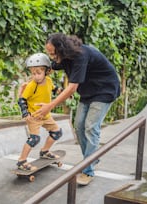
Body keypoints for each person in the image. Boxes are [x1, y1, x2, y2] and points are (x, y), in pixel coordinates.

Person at [31, 33, 120, 185]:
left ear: (62, 49)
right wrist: (33, 79)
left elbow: (72, 88)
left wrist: (50, 106)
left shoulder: (81, 55)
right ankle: (92, 158)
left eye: (52, 53)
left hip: (105, 90)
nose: (51, 56)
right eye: (49, 53)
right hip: (88, 92)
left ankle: (88, 170)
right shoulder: (63, 58)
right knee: (79, 126)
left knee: (91, 127)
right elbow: (48, 68)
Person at [17, 53, 63, 171]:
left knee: (57, 133)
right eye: (33, 73)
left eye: (38, 73)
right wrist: (25, 113)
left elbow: (54, 88)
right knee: (34, 139)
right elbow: (22, 99)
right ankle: (22, 161)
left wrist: (62, 92)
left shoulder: (48, 80)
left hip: (46, 115)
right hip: (34, 117)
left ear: (46, 71)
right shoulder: (31, 85)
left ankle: (45, 151)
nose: (36, 76)